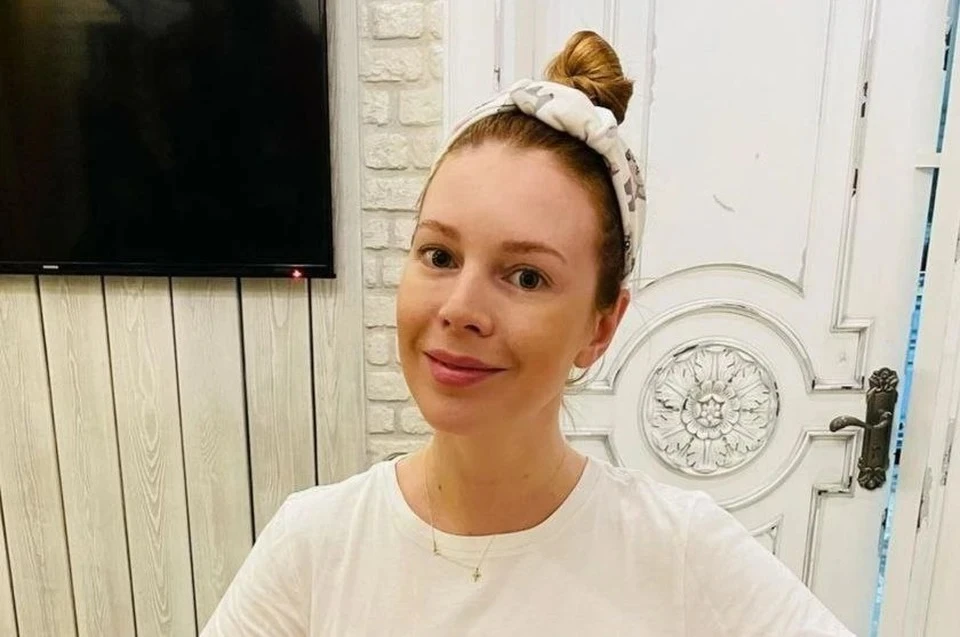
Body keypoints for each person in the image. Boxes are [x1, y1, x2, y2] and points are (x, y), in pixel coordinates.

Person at [202, 31, 855, 636]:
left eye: (526, 276)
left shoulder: (680, 551)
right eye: (439, 255)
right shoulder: (315, 545)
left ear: (601, 326)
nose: (460, 308)